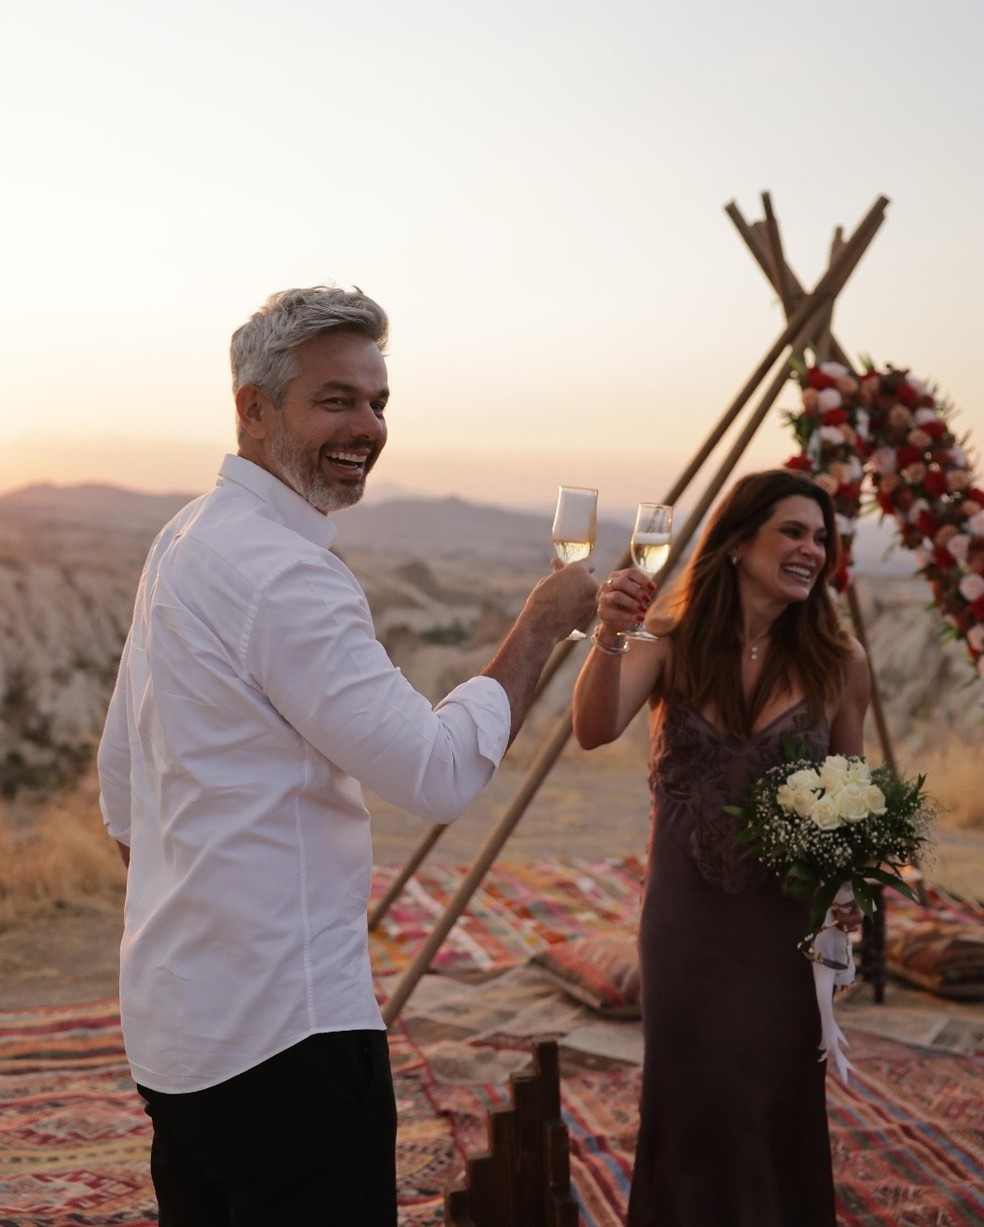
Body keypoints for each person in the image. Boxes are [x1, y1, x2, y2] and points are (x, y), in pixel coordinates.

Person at [97, 284, 598, 1227]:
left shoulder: (186, 536)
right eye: (336, 399)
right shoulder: (286, 574)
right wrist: (542, 623)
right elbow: (439, 773)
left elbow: (121, 788)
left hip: (176, 1031)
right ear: (253, 407)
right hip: (288, 1042)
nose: (367, 425)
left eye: (378, 402)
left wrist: (202, 922)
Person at [572, 469, 870, 1227]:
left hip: (784, 934)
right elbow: (593, 725)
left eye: (820, 538)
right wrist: (608, 636)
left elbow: (851, 797)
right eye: (793, 532)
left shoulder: (841, 663)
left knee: (770, 1105)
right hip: (688, 931)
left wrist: (848, 896)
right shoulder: (667, 645)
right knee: (700, 1108)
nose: (812, 549)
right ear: (737, 541)